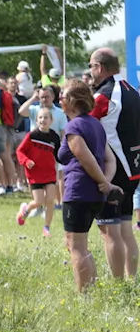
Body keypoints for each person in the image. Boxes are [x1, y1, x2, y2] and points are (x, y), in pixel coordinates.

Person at [58, 80, 119, 291]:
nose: (60, 100)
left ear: (73, 101)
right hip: (95, 195)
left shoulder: (74, 126)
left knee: (76, 247)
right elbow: (110, 160)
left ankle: (85, 296)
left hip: (78, 192)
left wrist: (104, 182)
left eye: (62, 96)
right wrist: (105, 183)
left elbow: (86, 158)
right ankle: (91, 291)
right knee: (81, 246)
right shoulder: (96, 125)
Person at [88, 48, 140, 280]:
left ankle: (118, 285)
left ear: (99, 67)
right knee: (126, 228)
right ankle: (132, 279)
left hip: (114, 170)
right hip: (133, 168)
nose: (90, 71)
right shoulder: (131, 89)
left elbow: (83, 122)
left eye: (91, 66)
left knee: (110, 230)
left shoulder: (104, 96)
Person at [16, 108, 61, 237]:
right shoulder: (32, 136)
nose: (43, 120)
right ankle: (26, 210)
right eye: (40, 117)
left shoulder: (54, 137)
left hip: (49, 173)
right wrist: (26, 161)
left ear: (51, 120)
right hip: (34, 173)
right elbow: (20, 151)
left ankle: (46, 228)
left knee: (50, 200)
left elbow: (59, 155)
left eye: (46, 117)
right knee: (39, 202)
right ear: (36, 120)